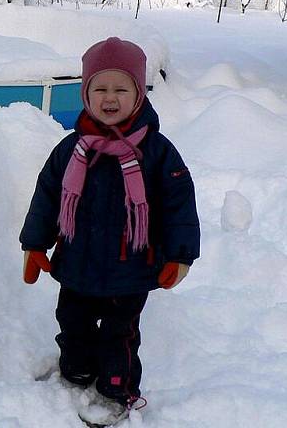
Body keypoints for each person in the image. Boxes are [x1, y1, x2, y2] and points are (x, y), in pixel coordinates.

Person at [20, 37, 200, 423]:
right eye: (100, 88)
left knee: (121, 334)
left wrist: (181, 254)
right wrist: (35, 243)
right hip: (76, 264)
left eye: (122, 88)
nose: (110, 98)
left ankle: (116, 389)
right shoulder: (71, 150)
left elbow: (178, 205)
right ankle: (77, 369)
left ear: (138, 94)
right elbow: (48, 196)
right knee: (72, 322)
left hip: (131, 269)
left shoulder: (157, 152)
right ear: (86, 93)